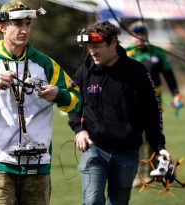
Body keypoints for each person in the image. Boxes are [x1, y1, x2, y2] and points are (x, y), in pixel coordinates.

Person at [0, 1, 80, 204]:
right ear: (1, 26)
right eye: (18, 24)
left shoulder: (46, 64)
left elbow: (78, 101)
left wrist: (60, 95)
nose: (24, 30)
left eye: (28, 24)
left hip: (38, 165)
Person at [68, 20, 171, 205]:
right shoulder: (85, 70)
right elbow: (72, 100)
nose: (92, 51)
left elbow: (152, 112)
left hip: (127, 152)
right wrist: (79, 129)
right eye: (89, 46)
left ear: (113, 43)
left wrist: (159, 146)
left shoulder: (137, 72)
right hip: (94, 149)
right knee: (91, 201)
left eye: (97, 45)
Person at [125, 21, 181, 186]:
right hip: (131, 103)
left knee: (153, 138)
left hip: (155, 102)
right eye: (136, 33)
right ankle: (140, 174)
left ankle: (152, 172)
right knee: (136, 139)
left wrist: (176, 93)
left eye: (142, 32)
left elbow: (169, 76)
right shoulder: (125, 53)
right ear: (130, 35)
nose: (139, 36)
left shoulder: (158, 53)